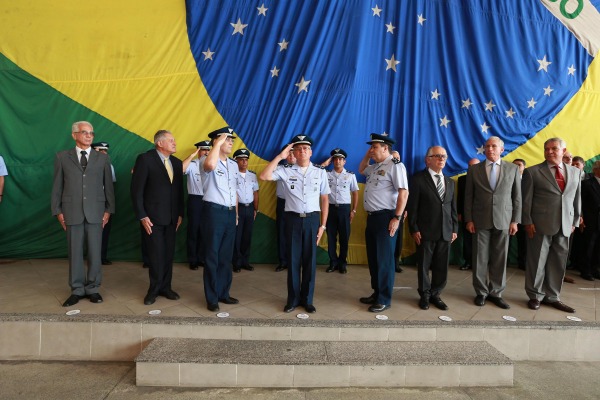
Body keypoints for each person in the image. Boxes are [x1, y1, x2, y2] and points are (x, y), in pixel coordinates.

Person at [260, 135, 330, 313]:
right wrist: (279, 157)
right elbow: (264, 175)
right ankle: (292, 299)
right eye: (298, 149)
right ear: (294, 152)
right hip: (292, 219)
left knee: (309, 261)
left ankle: (307, 300)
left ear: (311, 152)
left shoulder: (320, 172)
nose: (302, 151)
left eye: (305, 148)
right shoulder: (286, 170)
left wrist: (322, 226)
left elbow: (324, 199)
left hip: (313, 219)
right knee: (293, 261)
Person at [51, 121, 115, 307]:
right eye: (84, 132)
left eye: (91, 133)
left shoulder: (102, 158)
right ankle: (77, 289)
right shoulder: (62, 157)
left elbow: (108, 187)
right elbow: (57, 187)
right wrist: (58, 211)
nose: (89, 136)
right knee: (75, 252)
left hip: (97, 211)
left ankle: (93, 288)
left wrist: (109, 210)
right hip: (71, 211)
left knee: (95, 251)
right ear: (74, 135)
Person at [522, 137, 581, 313]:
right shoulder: (533, 172)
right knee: (537, 261)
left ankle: (552, 296)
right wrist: (527, 221)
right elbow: (526, 200)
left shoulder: (575, 172)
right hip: (539, 225)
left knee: (558, 262)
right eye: (546, 149)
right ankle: (535, 295)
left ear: (563, 151)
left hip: (565, 225)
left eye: (554, 148)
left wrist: (575, 221)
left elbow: (576, 199)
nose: (549, 152)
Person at [464, 136, 521, 309]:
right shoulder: (475, 169)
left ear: (501, 149)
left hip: (504, 220)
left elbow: (517, 198)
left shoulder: (513, 169)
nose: (490, 149)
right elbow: (468, 197)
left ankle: (496, 292)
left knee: (500, 258)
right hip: (480, 220)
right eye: (487, 146)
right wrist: (469, 219)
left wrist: (515, 221)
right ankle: (481, 292)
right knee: (480, 258)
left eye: (493, 146)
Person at [131, 130, 184, 306]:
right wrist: (142, 216)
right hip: (152, 219)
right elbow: (136, 190)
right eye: (171, 140)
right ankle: (153, 289)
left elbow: (178, 191)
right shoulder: (145, 160)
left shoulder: (176, 163)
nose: (174, 143)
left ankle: (166, 287)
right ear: (159, 143)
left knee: (168, 254)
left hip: (171, 218)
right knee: (155, 255)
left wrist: (180, 214)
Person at [358, 133, 409, 313]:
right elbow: (361, 168)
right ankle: (377, 292)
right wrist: (369, 154)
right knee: (374, 259)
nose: (371, 150)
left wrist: (396, 217)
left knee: (384, 261)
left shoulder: (396, 166)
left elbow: (403, 193)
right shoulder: (376, 167)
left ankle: (384, 299)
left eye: (375, 147)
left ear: (385, 148)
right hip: (372, 218)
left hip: (386, 218)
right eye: (371, 147)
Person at [407, 146, 457, 310]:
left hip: (446, 231)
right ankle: (425, 295)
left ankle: (436, 294)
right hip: (425, 231)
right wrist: (414, 228)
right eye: (437, 156)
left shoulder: (450, 182)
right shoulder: (418, 179)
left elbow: (452, 208)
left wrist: (455, 228)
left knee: (442, 266)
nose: (441, 159)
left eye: (444, 156)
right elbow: (412, 207)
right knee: (423, 265)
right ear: (427, 159)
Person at [199, 127, 240, 312]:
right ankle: (212, 297)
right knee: (212, 257)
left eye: (231, 140)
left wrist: (236, 213)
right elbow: (210, 166)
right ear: (218, 141)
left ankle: (224, 293)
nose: (231, 142)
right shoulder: (205, 160)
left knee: (225, 257)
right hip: (213, 213)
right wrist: (217, 144)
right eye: (228, 139)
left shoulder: (233, 165)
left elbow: (235, 191)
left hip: (230, 214)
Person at [320, 148, 359, 274]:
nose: (338, 161)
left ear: (344, 161)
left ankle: (342, 263)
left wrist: (354, 210)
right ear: (332, 161)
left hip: (344, 209)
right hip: (330, 209)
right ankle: (333, 262)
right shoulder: (326, 174)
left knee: (344, 237)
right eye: (335, 159)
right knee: (331, 237)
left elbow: (355, 193)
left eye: (340, 159)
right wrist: (326, 163)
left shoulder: (350, 175)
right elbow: (316, 170)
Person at [182, 140, 211, 270]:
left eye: (208, 150)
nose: (206, 152)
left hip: (209, 200)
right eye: (203, 150)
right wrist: (192, 155)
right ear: (199, 151)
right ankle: (193, 259)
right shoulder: (192, 164)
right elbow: (181, 169)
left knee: (205, 231)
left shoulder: (212, 165)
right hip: (195, 200)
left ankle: (202, 258)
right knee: (193, 230)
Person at [232, 148, 259, 273]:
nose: (244, 162)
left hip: (249, 208)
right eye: (241, 159)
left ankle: (245, 261)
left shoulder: (252, 175)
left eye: (246, 159)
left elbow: (256, 192)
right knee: (237, 236)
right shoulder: (232, 174)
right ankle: (236, 262)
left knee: (247, 236)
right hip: (238, 208)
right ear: (235, 160)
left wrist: (255, 209)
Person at [91, 142, 116, 265]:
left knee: (104, 229)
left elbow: (111, 186)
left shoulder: (109, 166)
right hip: (90, 202)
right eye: (101, 151)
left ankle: (101, 256)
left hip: (104, 201)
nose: (104, 153)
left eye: (105, 151)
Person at [274, 148, 296, 272]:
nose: (291, 156)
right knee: (282, 232)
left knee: (295, 234)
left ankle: (294, 261)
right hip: (283, 203)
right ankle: (283, 261)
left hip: (296, 204)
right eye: (289, 153)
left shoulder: (303, 169)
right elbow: (267, 173)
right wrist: (280, 158)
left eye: (294, 153)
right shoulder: (279, 168)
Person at [456, 158, 480, 270]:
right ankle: (468, 262)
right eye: (470, 166)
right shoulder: (462, 179)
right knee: (467, 240)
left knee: (481, 241)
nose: (472, 168)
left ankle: (479, 264)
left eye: (474, 166)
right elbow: (460, 197)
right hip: (467, 214)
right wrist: (460, 212)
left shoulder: (486, 178)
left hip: (482, 215)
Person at [580, 160, 600, 280]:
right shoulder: (586, 184)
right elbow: (580, 203)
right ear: (596, 169)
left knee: (598, 247)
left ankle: (595, 269)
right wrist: (581, 218)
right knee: (588, 246)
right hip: (590, 220)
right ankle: (585, 270)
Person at [512, 159, 527, 270]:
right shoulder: (506, 178)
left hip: (523, 216)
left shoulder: (528, 180)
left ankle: (523, 263)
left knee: (523, 241)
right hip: (506, 215)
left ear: (524, 167)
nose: (516, 167)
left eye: (519, 165)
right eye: (514, 165)